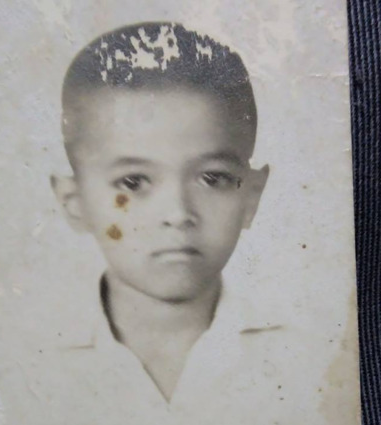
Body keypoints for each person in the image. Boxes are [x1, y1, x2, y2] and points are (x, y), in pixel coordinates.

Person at [49, 22, 272, 424]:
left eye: (213, 178)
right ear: (74, 202)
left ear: (251, 197)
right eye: (133, 182)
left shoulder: (320, 354)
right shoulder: (10, 364)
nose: (178, 214)